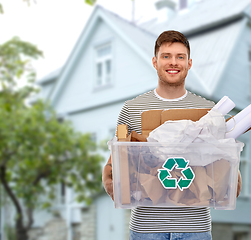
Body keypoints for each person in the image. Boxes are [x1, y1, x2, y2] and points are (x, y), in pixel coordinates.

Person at [102, 30, 242, 240]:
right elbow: (115, 165)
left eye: (180, 57)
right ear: (155, 61)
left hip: (195, 228)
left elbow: (224, 167)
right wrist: (118, 187)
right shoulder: (132, 109)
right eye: (166, 56)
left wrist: (230, 183)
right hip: (146, 228)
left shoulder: (209, 111)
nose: (173, 63)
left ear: (189, 63)